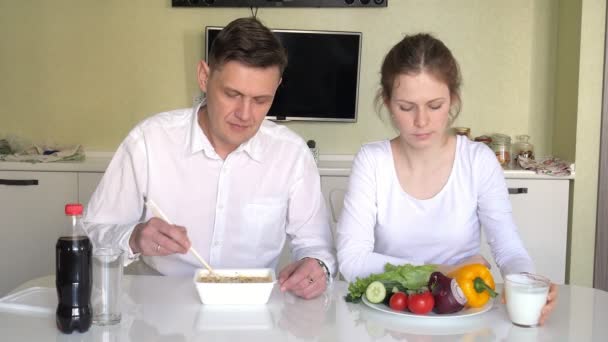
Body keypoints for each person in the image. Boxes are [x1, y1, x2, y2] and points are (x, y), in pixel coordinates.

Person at [84, 17, 335, 299]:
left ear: (277, 86)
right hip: (159, 309)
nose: (245, 114)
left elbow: (317, 248)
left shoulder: (292, 154)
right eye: (232, 94)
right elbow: (93, 232)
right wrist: (133, 237)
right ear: (204, 76)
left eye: (261, 100)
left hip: (252, 310)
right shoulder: (149, 141)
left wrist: (318, 267)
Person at [336, 33, 557, 323]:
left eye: (435, 105)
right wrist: (445, 272)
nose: (421, 121)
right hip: (388, 317)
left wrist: (526, 284)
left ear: (453, 99)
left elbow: (508, 248)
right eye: (406, 107)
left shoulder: (478, 161)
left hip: (464, 318)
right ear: (387, 103)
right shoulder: (373, 160)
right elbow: (352, 261)